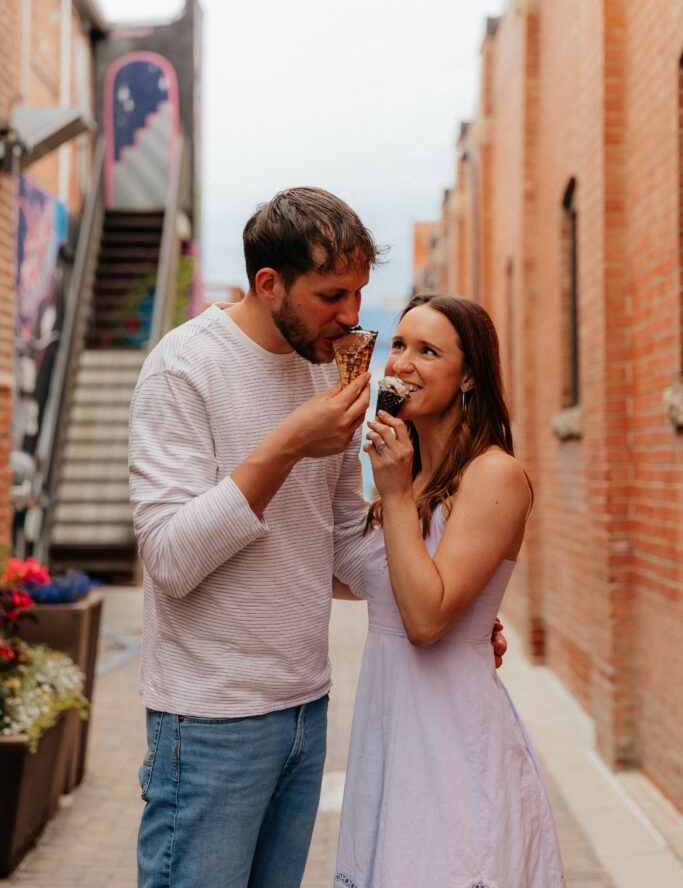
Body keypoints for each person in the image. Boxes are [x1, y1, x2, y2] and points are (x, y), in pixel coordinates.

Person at [128, 188, 506, 888]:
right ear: (268, 284)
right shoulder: (182, 369)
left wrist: (449, 597)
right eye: (332, 294)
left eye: (359, 293)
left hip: (306, 710)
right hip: (210, 721)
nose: (352, 317)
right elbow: (171, 560)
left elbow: (337, 540)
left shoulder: (326, 368)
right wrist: (285, 446)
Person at [334, 294, 566, 888]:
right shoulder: (412, 478)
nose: (403, 363)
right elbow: (351, 576)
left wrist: (392, 494)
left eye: (428, 351)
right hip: (391, 731)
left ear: (468, 375)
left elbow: (428, 618)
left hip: (452, 743)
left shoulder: (494, 474)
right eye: (400, 346)